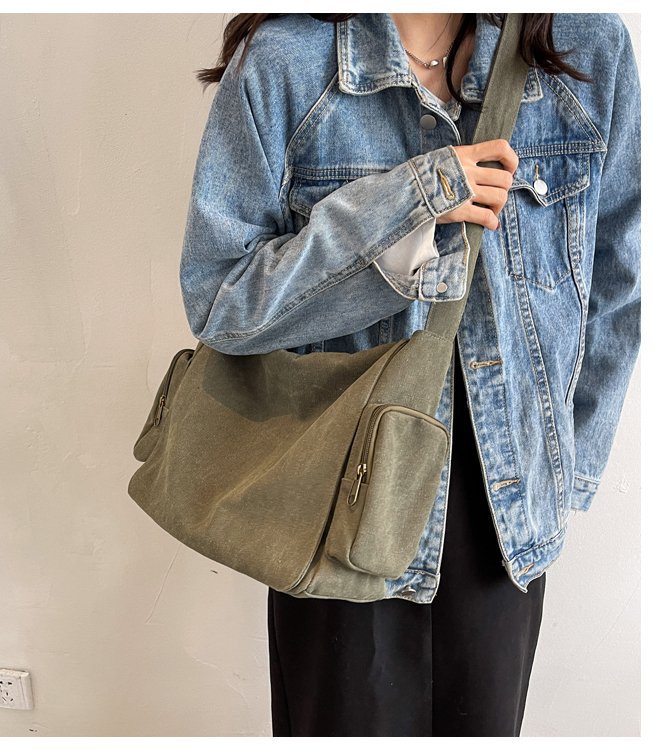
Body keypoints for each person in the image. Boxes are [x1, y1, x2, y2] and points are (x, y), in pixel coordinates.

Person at [178, 12, 641, 737]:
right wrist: (412, 200)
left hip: (503, 516)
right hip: (333, 504)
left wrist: (564, 474)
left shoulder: (584, 50)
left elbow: (616, 282)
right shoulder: (287, 63)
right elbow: (220, 302)